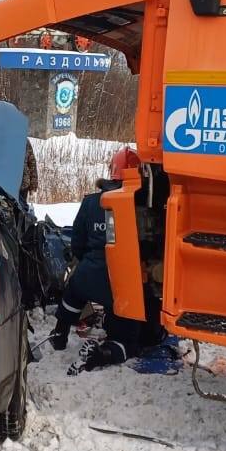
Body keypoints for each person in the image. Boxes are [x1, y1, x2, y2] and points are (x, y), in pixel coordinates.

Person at [47, 147, 166, 372]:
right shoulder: (145, 205)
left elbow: (78, 242)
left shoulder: (91, 202)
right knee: (129, 340)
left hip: (88, 275)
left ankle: (59, 334)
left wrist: (88, 265)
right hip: (121, 285)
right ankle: (100, 354)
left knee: (73, 293)